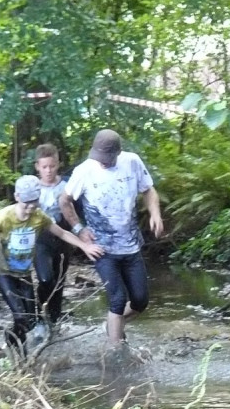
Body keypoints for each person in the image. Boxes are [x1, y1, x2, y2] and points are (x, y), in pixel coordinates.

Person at [0, 174, 103, 361]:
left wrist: (85, 246)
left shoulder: (39, 217)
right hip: (4, 274)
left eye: (34, 202)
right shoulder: (4, 217)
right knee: (20, 316)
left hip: (23, 274)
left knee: (29, 321)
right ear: (17, 197)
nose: (30, 208)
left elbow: (61, 233)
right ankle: (16, 355)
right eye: (26, 203)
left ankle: (13, 350)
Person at [59, 129, 164, 346]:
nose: (103, 162)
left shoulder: (132, 162)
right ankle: (115, 353)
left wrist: (155, 214)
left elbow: (149, 190)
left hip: (131, 246)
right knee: (117, 300)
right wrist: (79, 228)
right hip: (102, 248)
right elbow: (64, 201)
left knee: (140, 301)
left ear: (118, 152)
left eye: (107, 159)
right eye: (100, 158)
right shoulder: (84, 171)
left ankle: (112, 327)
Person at [33, 143, 71, 328]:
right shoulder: (31, 187)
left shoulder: (67, 185)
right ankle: (39, 316)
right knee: (46, 278)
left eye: (52, 166)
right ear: (37, 167)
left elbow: (77, 211)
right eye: (44, 167)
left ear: (58, 164)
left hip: (63, 238)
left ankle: (55, 320)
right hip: (40, 238)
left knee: (59, 281)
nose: (48, 171)